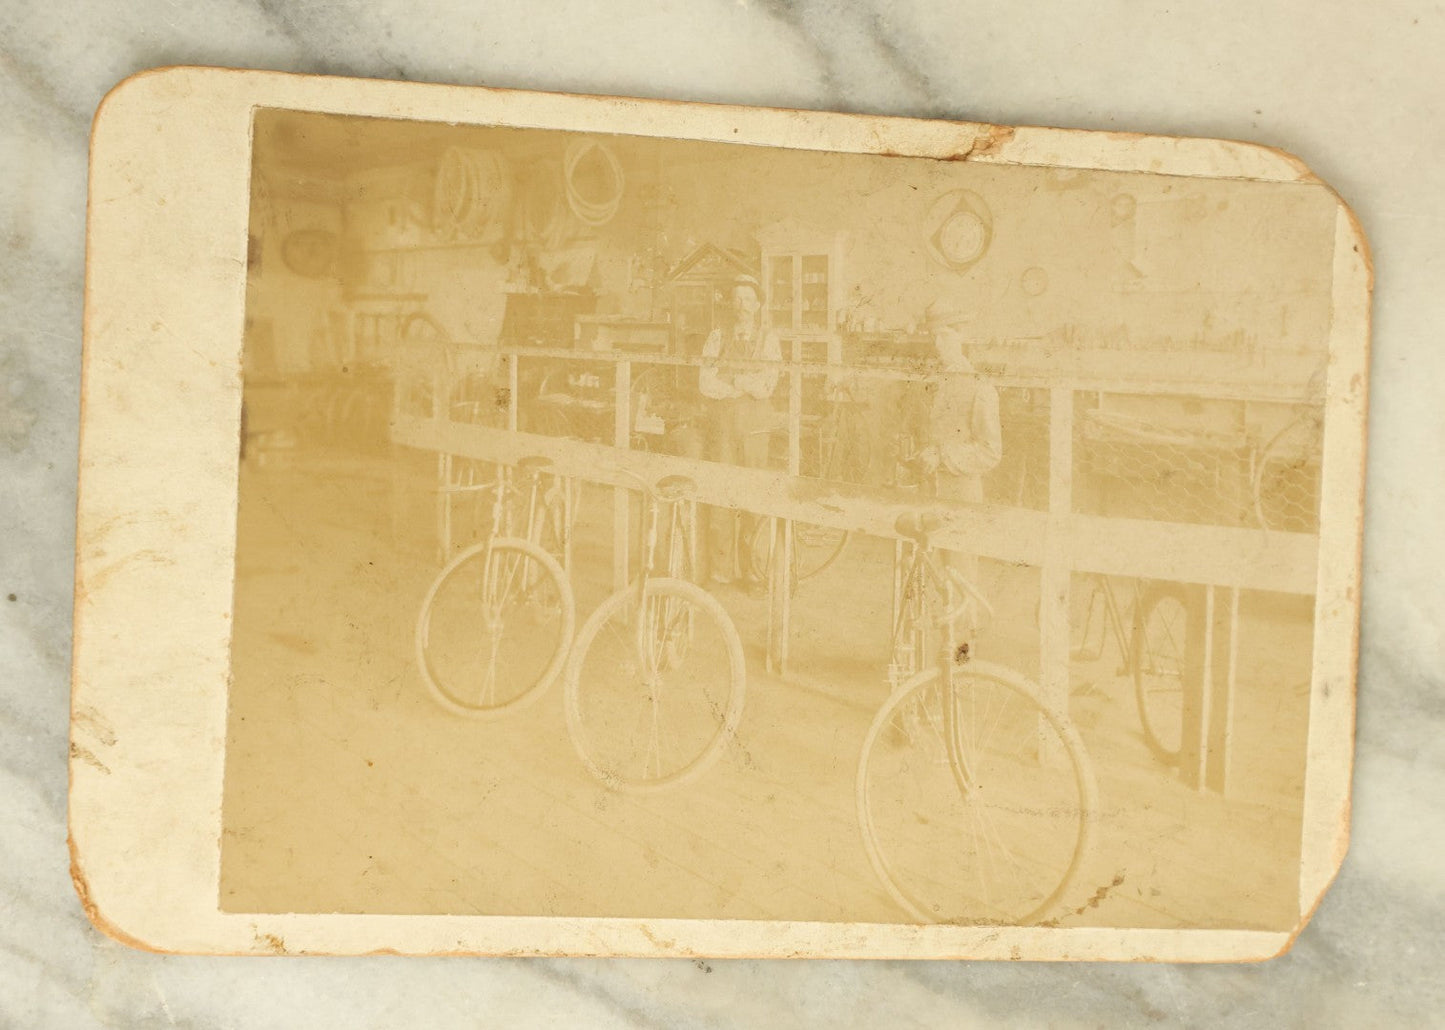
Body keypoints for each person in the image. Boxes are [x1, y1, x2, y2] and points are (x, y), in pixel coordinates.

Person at [915, 297, 1002, 645]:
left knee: (962, 583)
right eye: (934, 336)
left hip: (962, 495)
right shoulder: (935, 382)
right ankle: (931, 669)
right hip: (931, 494)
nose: (938, 344)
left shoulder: (980, 387)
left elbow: (990, 452)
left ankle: (962, 667)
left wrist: (942, 455)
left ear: (962, 335)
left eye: (945, 335)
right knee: (932, 579)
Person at [695, 276, 782, 587]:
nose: (743, 305)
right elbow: (705, 383)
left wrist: (733, 381)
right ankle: (720, 570)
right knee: (721, 492)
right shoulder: (717, 337)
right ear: (731, 304)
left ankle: (754, 572)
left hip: (756, 427)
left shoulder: (769, 339)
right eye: (738, 299)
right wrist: (744, 382)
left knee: (753, 496)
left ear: (758, 305)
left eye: (748, 299)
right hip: (723, 426)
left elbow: (766, 385)